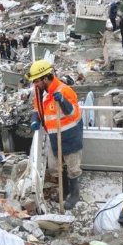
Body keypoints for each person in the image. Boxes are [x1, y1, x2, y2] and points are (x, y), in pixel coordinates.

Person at [27, 59, 83, 209]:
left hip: (70, 136)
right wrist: (35, 119)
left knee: (73, 167)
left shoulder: (64, 91)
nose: (35, 85)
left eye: (36, 81)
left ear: (45, 78)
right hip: (54, 137)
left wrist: (63, 102)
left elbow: (75, 114)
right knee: (54, 167)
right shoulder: (41, 93)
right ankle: (63, 190)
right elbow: (37, 109)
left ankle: (74, 194)